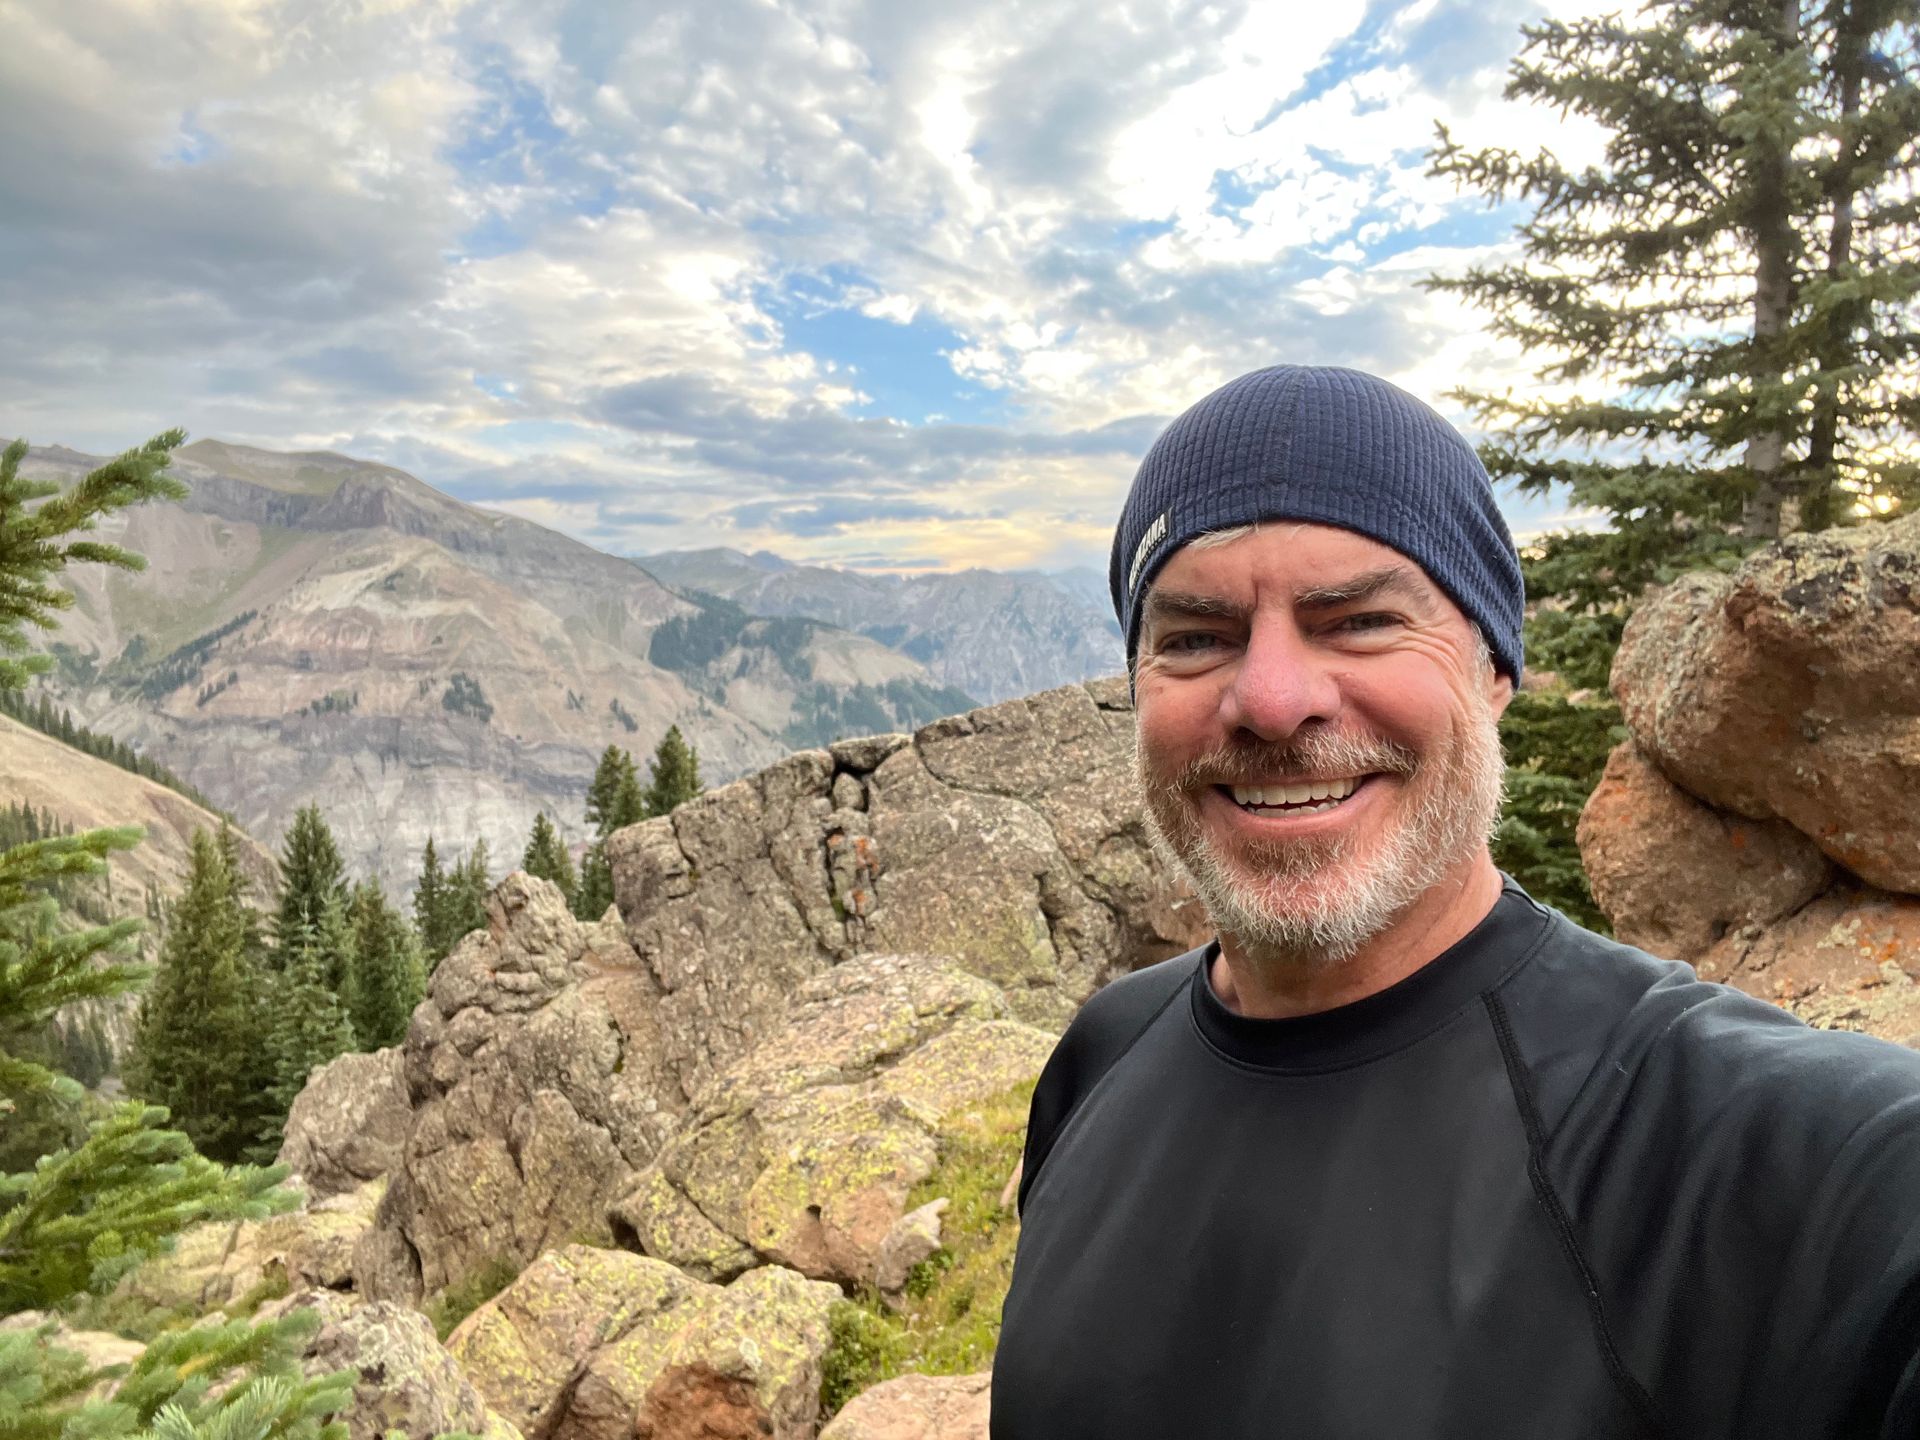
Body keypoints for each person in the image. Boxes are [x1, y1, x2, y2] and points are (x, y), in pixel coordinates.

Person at [991, 365, 1920, 1440]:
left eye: (1361, 620)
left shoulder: (1729, 1142)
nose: (1274, 701)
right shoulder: (1103, 1052)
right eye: (1195, 636)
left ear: (1493, 670)